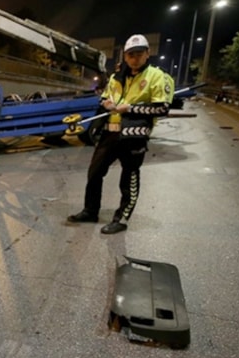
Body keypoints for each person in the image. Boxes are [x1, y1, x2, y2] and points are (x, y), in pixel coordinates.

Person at [67, 34, 174, 234]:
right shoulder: (117, 77)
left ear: (147, 54)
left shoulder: (156, 76)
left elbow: (162, 108)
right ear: (125, 56)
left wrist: (130, 108)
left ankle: (122, 218)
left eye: (139, 54)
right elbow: (105, 98)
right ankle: (90, 211)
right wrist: (107, 103)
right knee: (95, 173)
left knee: (129, 178)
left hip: (133, 135)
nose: (134, 58)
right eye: (130, 54)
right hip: (110, 133)